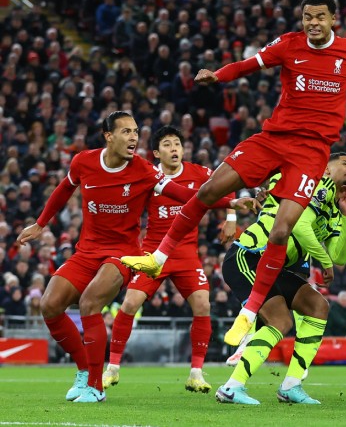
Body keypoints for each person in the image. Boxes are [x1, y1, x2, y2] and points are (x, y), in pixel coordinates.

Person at [122, 0, 346, 348]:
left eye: (320, 17)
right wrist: (218, 76)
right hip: (272, 139)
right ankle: (158, 258)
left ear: (333, 20)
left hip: (311, 154)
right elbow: (249, 65)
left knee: (281, 232)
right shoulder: (288, 45)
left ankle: (249, 312)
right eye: (307, 16)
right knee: (208, 191)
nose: (313, 23)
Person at [15, 111, 254, 403]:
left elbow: (184, 195)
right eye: (126, 132)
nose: (133, 138)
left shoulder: (143, 170)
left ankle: (96, 386)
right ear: (108, 136)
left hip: (123, 253)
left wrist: (230, 202)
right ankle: (82, 372)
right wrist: (41, 223)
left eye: (136, 132)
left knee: (90, 302)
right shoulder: (83, 162)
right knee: (50, 305)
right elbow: (64, 189)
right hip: (86, 250)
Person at [102, 126, 236, 393]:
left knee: (202, 305)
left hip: (186, 254)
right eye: (167, 144)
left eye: (177, 144)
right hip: (153, 252)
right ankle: (112, 368)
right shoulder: (147, 175)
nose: (174, 148)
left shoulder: (199, 173)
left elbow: (228, 186)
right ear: (156, 152)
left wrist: (231, 219)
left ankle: (196, 373)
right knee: (129, 303)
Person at [216, 152, 346, 405]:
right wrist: (324, 263)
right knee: (279, 320)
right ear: (325, 170)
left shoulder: (334, 208)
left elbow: (341, 256)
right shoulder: (312, 184)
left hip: (276, 267)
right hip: (250, 255)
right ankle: (231, 387)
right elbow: (301, 227)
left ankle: (291, 385)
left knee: (317, 306)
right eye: (345, 163)